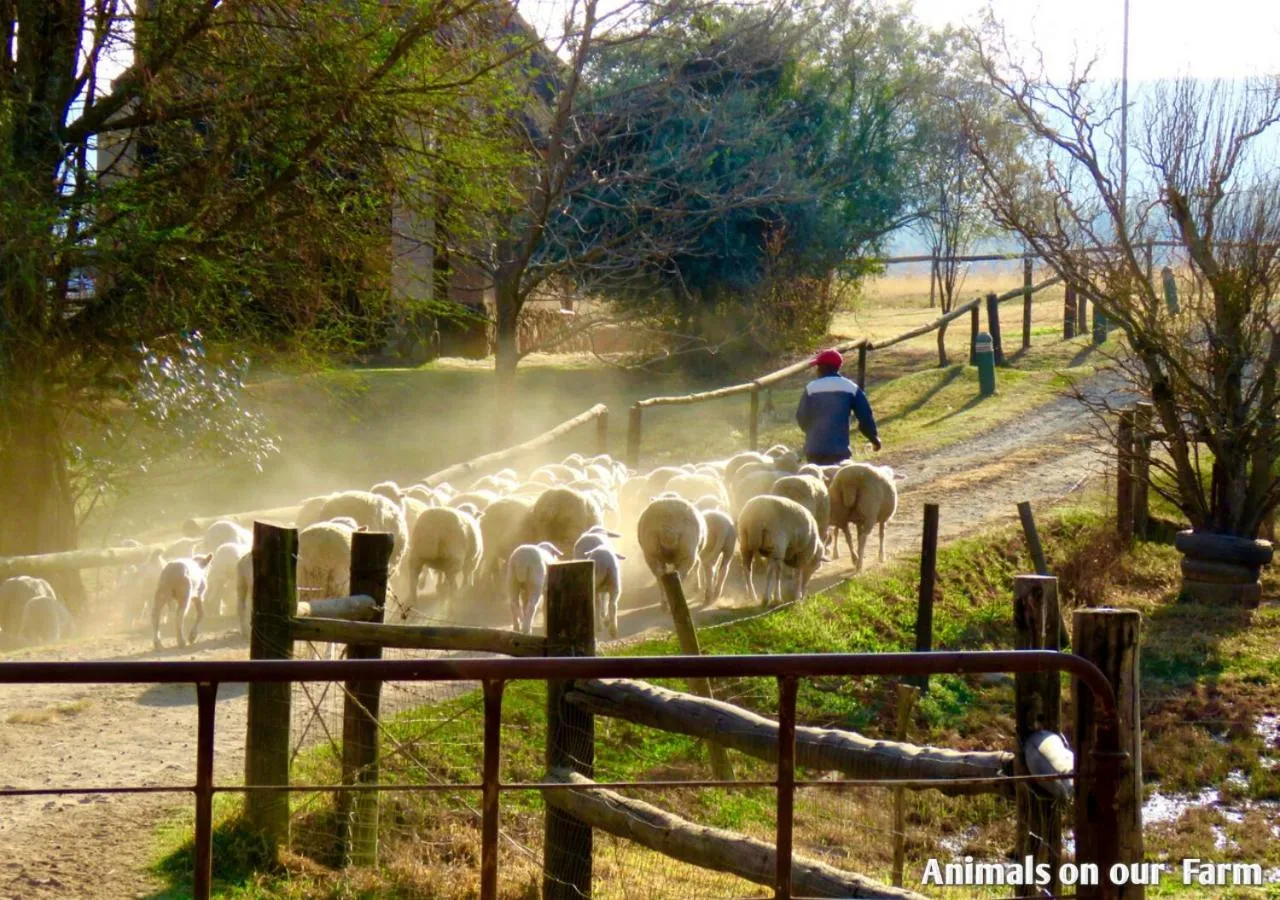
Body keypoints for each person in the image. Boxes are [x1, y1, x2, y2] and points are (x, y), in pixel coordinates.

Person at [794, 348, 880, 465]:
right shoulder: (851, 388)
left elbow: (801, 417)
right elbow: (865, 417)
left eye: (818, 367)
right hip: (839, 450)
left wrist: (812, 433)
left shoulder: (811, 388)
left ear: (824, 367)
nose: (817, 370)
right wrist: (874, 439)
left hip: (814, 450)